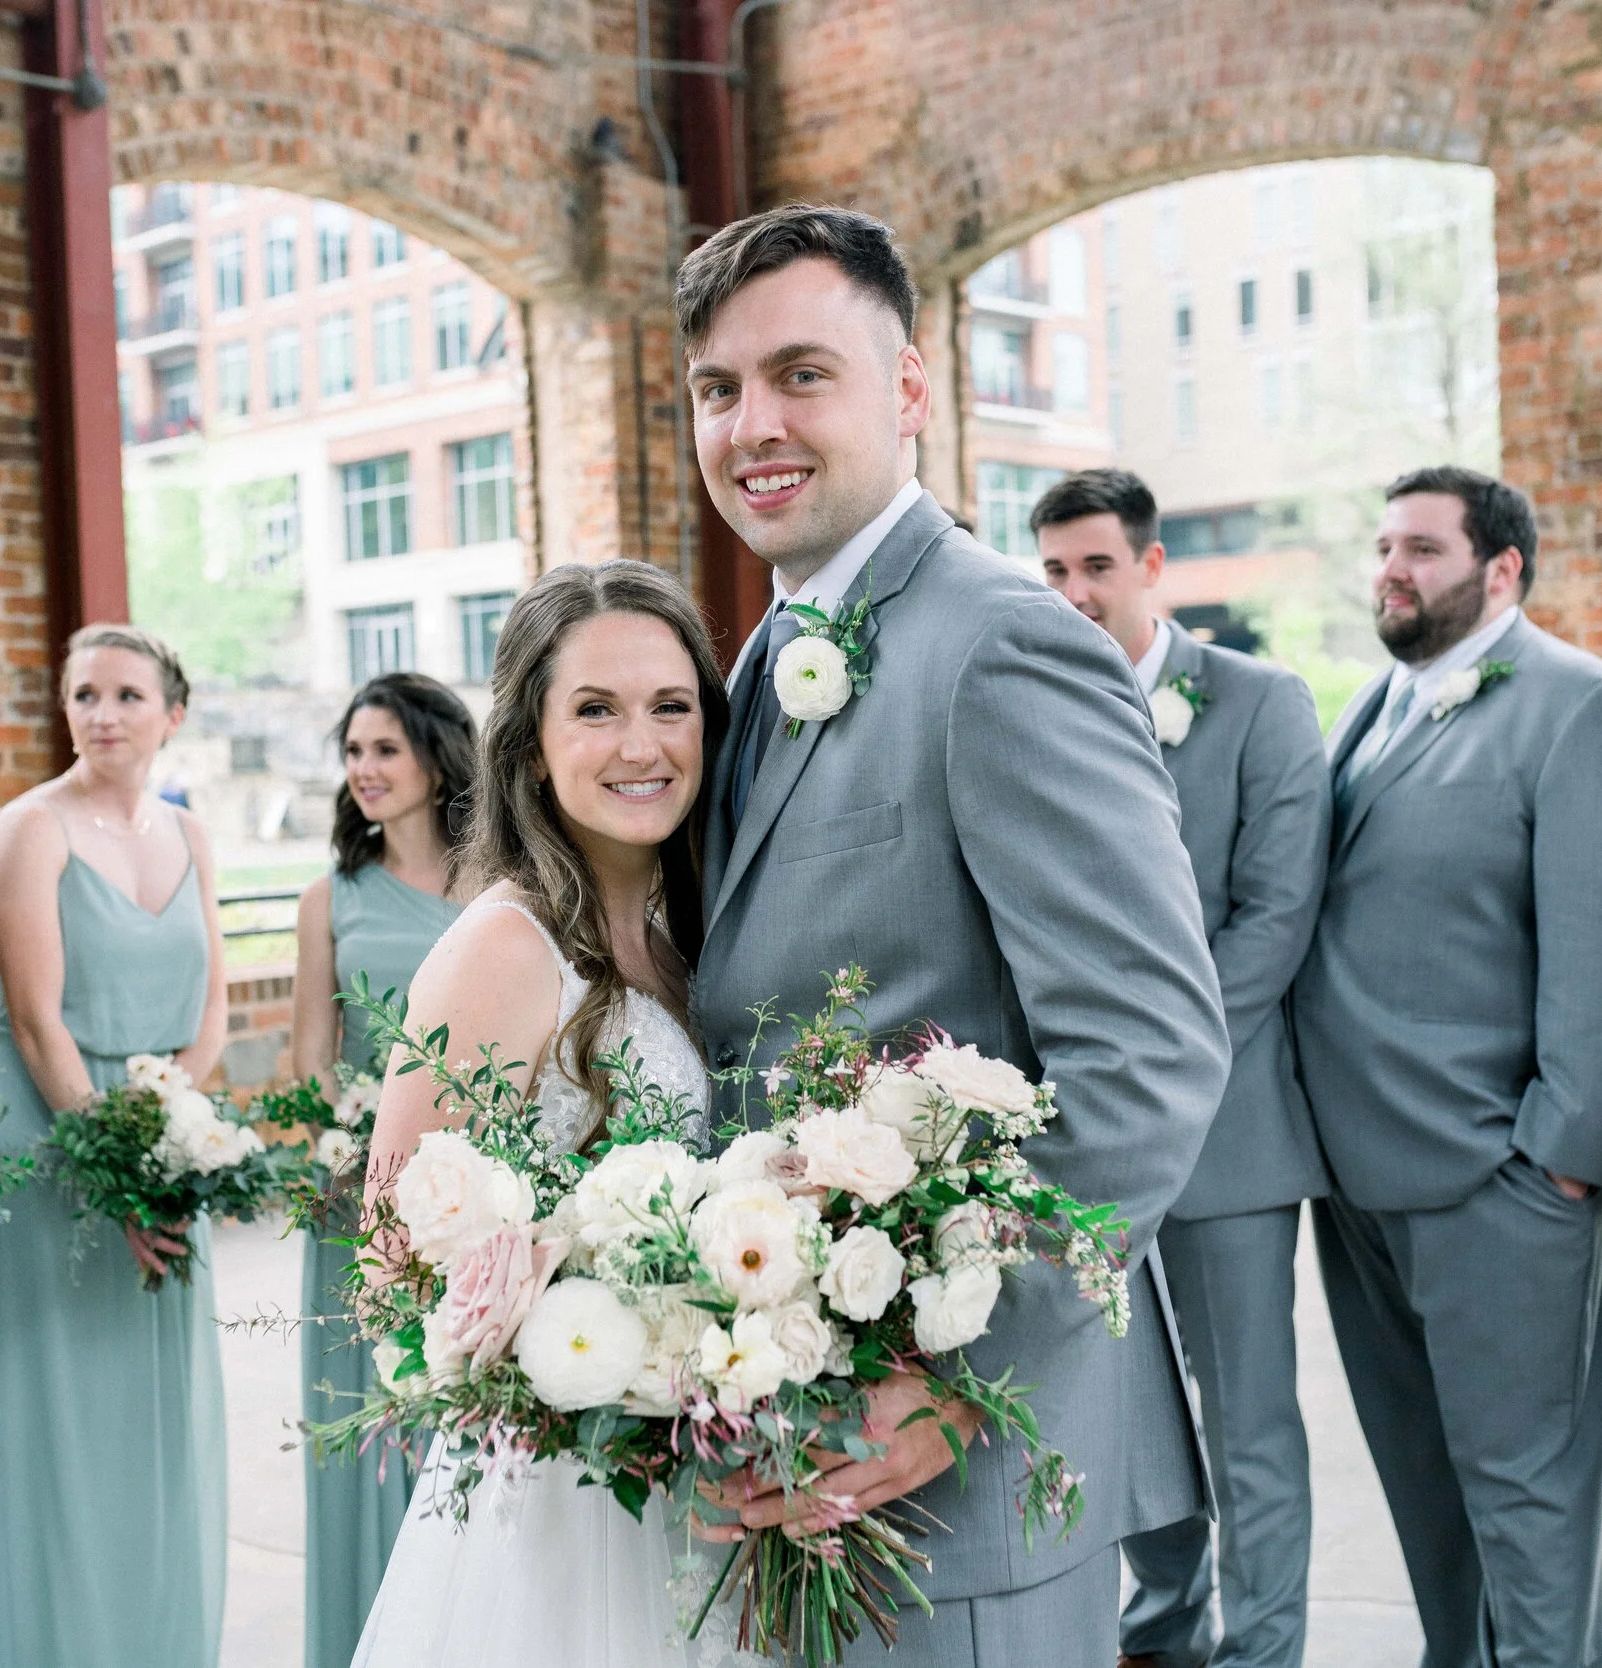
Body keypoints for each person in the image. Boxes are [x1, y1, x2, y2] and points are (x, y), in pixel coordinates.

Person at [679, 205, 1230, 1667]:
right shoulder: (753, 656)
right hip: (789, 1449)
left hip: (963, 1476)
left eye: (804, 374)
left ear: (909, 391)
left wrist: (953, 1372)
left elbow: (1150, 1059)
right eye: (717, 391)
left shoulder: (1004, 643)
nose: (753, 426)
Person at [1292, 466, 1602, 1668]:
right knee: (1424, 1493)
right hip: (1356, 1184)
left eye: (1421, 550)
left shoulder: (1582, 707)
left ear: (1500, 568)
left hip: (1499, 1186)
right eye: (1383, 548)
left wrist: (1561, 1159)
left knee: (1526, 1503)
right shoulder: (1373, 705)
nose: (1391, 572)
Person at [348, 559, 733, 1666]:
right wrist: (589, 1350)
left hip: (697, 1460)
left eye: (671, 707)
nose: (641, 746)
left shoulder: (682, 935)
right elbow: (388, 1266)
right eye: (595, 710)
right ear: (528, 743)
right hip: (565, 1493)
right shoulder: (501, 950)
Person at [1028, 473, 1329, 1668]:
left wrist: (1155, 1060)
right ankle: (1159, 1636)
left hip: (1227, 1137)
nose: (1073, 593)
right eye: (1051, 571)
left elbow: (1275, 916)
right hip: (1078, 1138)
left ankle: (1261, 1651)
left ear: (1152, 568)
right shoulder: (1038, 704)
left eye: (1095, 567)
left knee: (1247, 1422)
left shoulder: (1258, 703)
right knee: (1129, 1413)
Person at [0, 624, 231, 1668]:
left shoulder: (192, 836)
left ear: (174, 712)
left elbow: (208, 1015)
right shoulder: (29, 831)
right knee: (60, 1410)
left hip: (161, 1132)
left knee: (154, 1410)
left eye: (125, 694)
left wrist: (175, 1135)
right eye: (83, 695)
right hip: (53, 1131)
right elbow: (35, 1023)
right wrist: (115, 1164)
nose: (102, 714)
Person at [290, 671, 473, 1668]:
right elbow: (307, 1063)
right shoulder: (331, 899)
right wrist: (330, 1152)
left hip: (484, 1208)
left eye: (384, 750)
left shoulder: (502, 886)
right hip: (355, 1217)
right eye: (353, 752)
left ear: (438, 758)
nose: (363, 769)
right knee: (370, 1448)